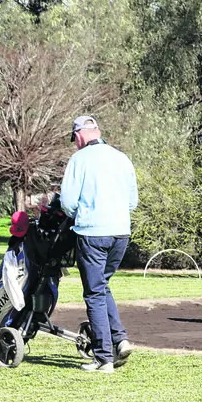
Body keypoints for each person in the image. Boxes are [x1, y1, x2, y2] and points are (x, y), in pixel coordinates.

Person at [60, 115, 139, 373]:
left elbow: (68, 203)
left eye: (75, 140)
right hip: (121, 233)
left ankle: (104, 358)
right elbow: (132, 202)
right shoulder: (122, 158)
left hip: (92, 234)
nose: (75, 144)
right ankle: (121, 339)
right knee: (102, 286)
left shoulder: (79, 159)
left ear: (80, 135)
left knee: (93, 293)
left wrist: (80, 213)